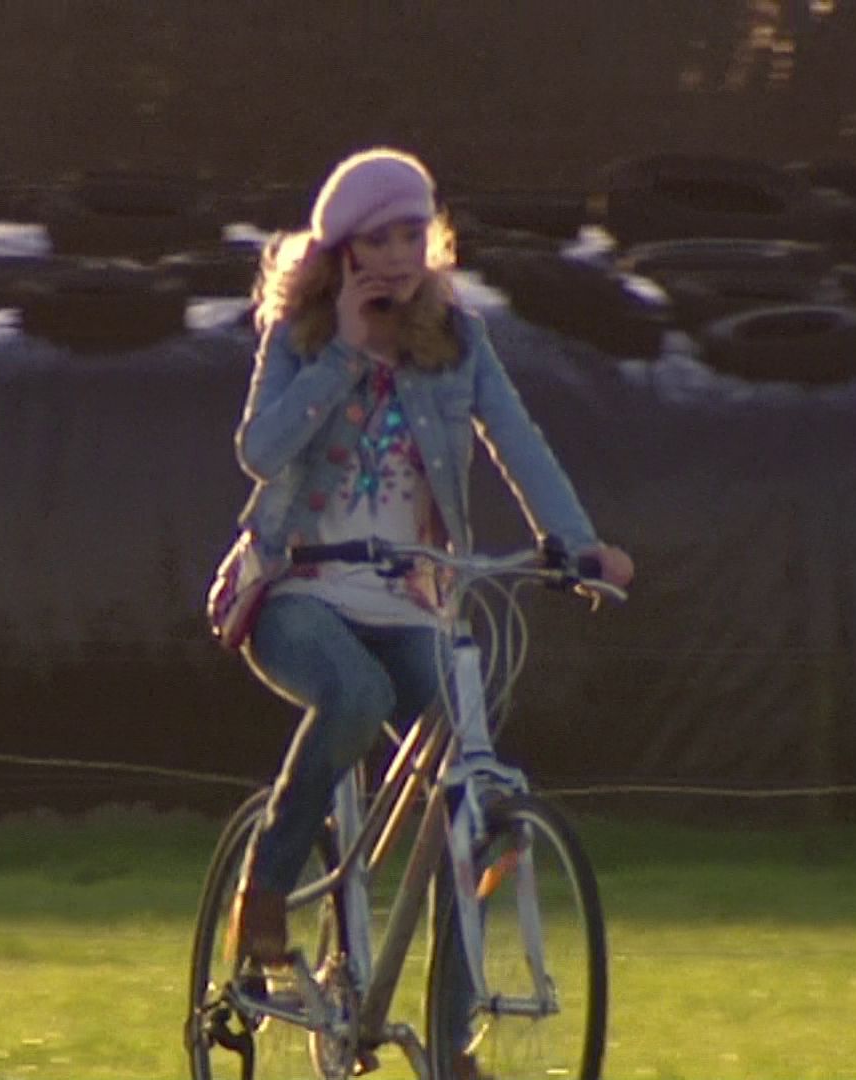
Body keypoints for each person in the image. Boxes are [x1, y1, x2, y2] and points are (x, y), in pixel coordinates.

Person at [212, 146, 634, 1071]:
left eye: (413, 233)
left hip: (412, 600)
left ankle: (450, 1039)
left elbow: (519, 441)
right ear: (343, 252)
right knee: (355, 696)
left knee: (467, 782)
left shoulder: (458, 341)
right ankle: (266, 890)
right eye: (380, 239)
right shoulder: (299, 336)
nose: (401, 254)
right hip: (298, 592)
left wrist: (577, 543)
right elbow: (260, 450)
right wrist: (345, 352)